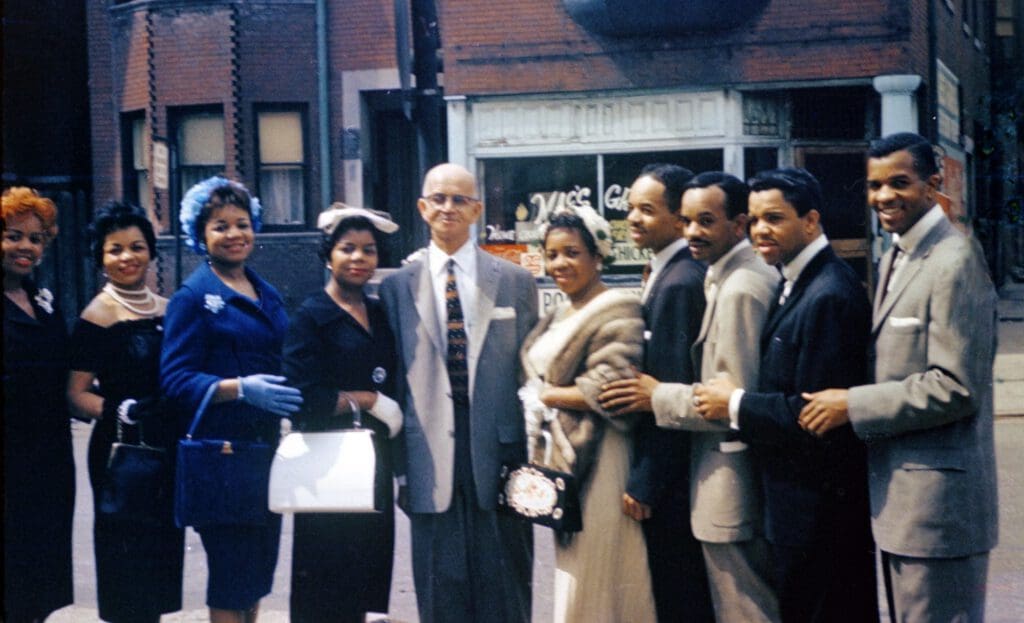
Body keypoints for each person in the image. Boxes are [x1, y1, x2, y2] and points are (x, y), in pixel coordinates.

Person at [799, 133, 999, 622]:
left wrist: (853, 405)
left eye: (899, 183)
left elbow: (955, 387)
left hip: (938, 513)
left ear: (932, 185)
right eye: (874, 186)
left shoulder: (954, 260)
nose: (884, 196)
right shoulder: (896, 254)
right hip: (902, 507)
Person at [694, 167, 878, 623]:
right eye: (755, 219)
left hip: (820, 517)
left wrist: (734, 403)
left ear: (811, 220)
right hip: (797, 512)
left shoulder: (828, 293)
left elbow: (813, 413)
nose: (760, 230)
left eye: (774, 218)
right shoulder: (794, 281)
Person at [601, 172, 780, 623]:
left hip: (714, 478)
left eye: (705, 221)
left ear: (737, 225)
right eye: (687, 220)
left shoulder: (708, 283)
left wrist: (648, 475)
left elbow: (729, 396)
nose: (693, 231)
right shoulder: (711, 274)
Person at [378, 163, 538, 623]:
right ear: (422, 207)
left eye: (460, 200)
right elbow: (394, 380)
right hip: (427, 452)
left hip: (502, 449)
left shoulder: (515, 281)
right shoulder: (396, 288)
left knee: (505, 589)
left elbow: (531, 371)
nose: (448, 208)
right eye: (439, 199)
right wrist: (400, 467)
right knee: (440, 592)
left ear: (477, 210)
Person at [161, 176, 302, 623]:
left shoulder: (266, 291)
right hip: (221, 457)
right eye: (220, 226)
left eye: (242, 223)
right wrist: (240, 388)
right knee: (231, 578)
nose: (234, 234)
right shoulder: (192, 298)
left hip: (266, 452)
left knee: (257, 576)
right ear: (200, 234)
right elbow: (176, 380)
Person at [520, 207, 655, 623]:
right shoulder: (559, 312)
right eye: (552, 254)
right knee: (574, 566)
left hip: (601, 456)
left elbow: (612, 386)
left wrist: (547, 395)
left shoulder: (619, 308)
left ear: (598, 256)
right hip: (564, 461)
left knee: (598, 569)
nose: (560, 263)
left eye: (572, 253)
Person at [594, 163, 714, 622]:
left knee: (679, 593)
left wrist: (646, 481)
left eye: (647, 209)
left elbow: (665, 388)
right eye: (630, 208)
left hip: (672, 482)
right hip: (674, 475)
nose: (633, 218)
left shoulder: (680, 281)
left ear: (678, 217)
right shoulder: (665, 271)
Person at [282, 204, 404, 623]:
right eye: (347, 248)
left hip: (374, 465)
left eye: (368, 250)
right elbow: (303, 399)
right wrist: (368, 400)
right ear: (328, 255)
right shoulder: (311, 317)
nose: (358, 258)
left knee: (366, 585)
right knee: (326, 586)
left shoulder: (380, 314)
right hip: (328, 469)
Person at [66, 201, 184, 623]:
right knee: (127, 567)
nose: (127, 257)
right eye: (114, 249)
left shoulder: (169, 309)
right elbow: (75, 395)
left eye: (136, 246)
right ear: (100, 257)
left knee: (159, 565)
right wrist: (122, 410)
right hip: (121, 455)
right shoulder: (96, 317)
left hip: (166, 447)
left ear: (150, 251)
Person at [3, 186, 75, 623]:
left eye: (35, 238)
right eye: (13, 236)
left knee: (38, 583)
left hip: (48, 460)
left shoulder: (43, 303)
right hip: (9, 462)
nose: (25, 247)